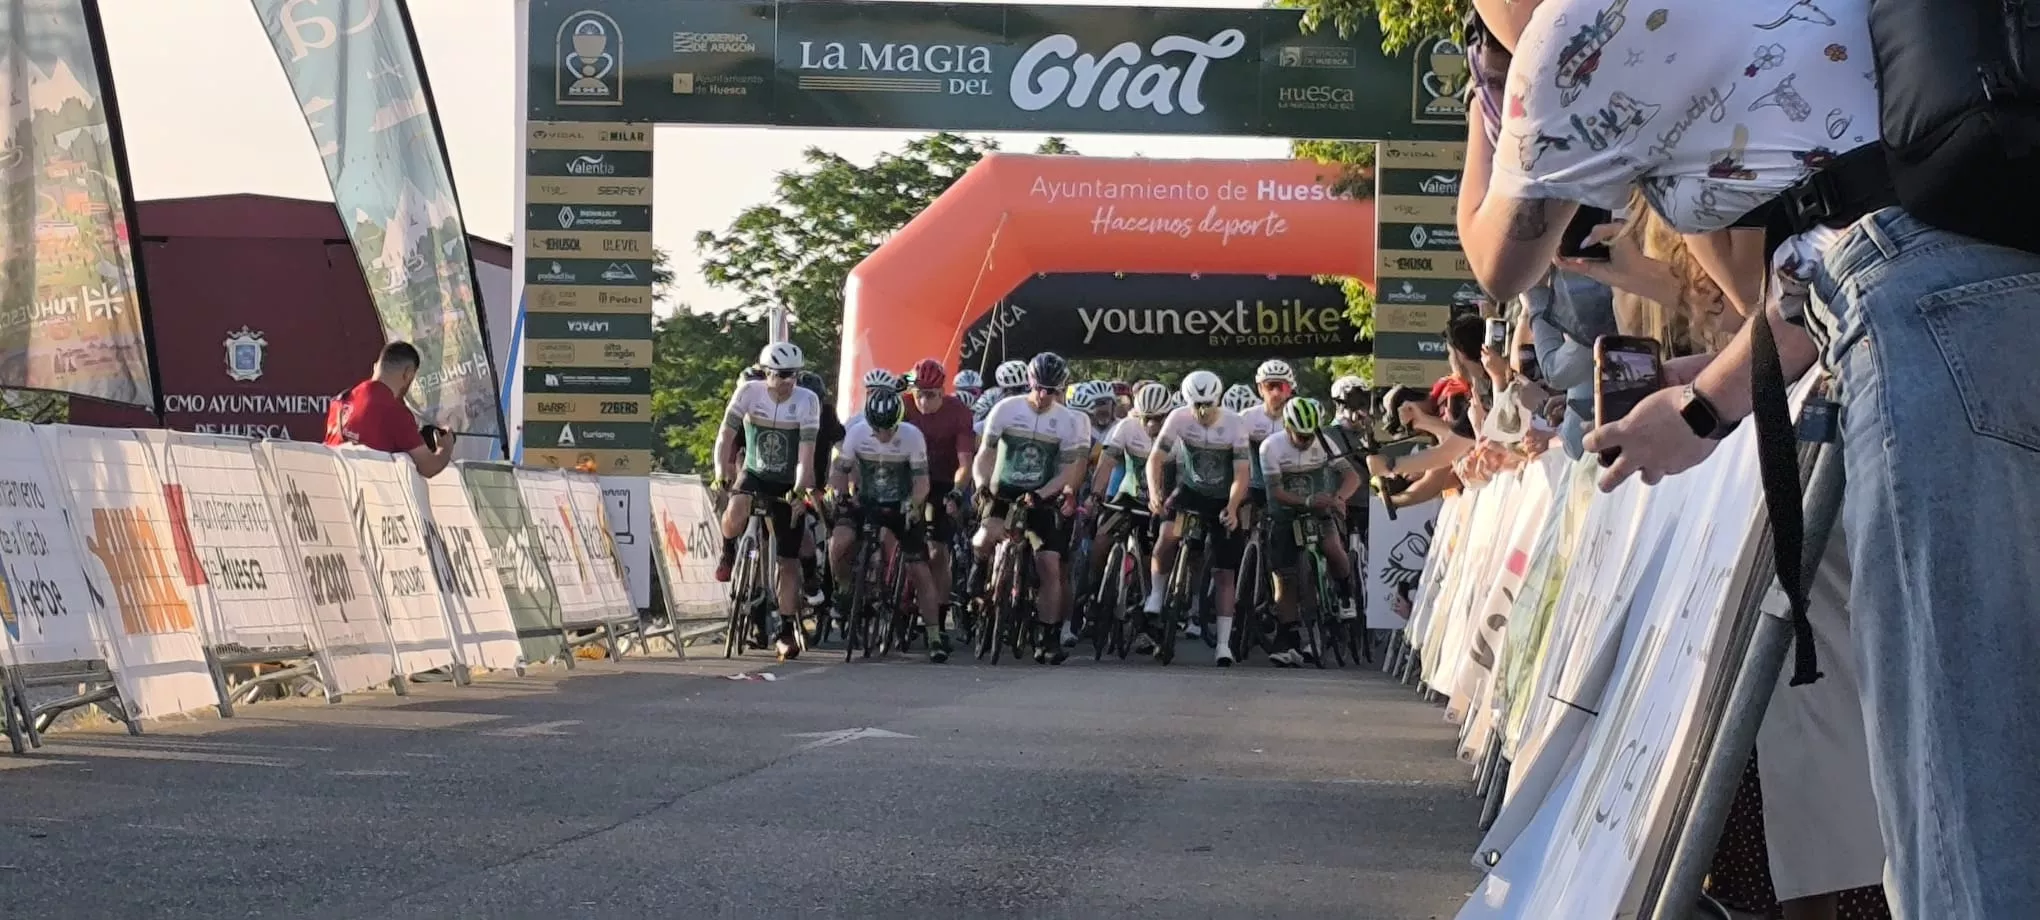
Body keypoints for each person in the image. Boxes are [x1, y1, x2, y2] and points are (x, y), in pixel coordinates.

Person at [1461, 2, 2017, 915]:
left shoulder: (1575, 31)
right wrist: (1705, 400)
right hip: (1978, 284)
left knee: (1961, 794)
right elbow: (1846, 232)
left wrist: (1486, 109)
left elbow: (1497, 263)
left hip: (1927, 340)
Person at [971, 351, 1090, 665]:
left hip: (1042, 494)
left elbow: (1068, 470)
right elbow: (985, 453)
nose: (1043, 395)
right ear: (1030, 383)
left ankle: (1048, 636)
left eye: (1051, 390)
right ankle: (978, 570)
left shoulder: (1068, 421)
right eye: (1038, 387)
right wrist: (982, 483)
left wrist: (1044, 493)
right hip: (1004, 488)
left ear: (1061, 389)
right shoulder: (1006, 409)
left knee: (1049, 564)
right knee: (985, 538)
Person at [712, 341, 821, 660]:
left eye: (794, 375)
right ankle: (728, 549)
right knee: (738, 503)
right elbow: (725, 437)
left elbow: (806, 454)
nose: (789, 382)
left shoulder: (808, 400)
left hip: (788, 479)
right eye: (782, 375)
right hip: (756, 471)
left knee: (787, 562)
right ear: (766, 373)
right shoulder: (748, 392)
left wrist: (800, 489)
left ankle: (785, 630)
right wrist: (721, 471)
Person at [828, 388, 948, 662]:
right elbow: (840, 471)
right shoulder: (857, 433)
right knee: (839, 542)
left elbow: (921, 482)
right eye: (877, 429)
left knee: (919, 567)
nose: (883, 434)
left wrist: (914, 504)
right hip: (866, 502)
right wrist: (841, 495)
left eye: (889, 428)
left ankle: (934, 635)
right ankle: (845, 588)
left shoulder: (912, 437)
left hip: (900, 505)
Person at [1144, 369, 1250, 667]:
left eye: (1208, 405)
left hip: (1222, 498)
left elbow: (1242, 473)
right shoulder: (1178, 417)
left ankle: (1223, 644)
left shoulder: (1234, 424)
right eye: (1196, 406)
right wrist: (1154, 492)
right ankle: (1156, 594)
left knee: (1224, 573)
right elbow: (1156, 458)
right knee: (1167, 535)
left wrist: (1232, 506)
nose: (1202, 412)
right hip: (1190, 491)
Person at [1260, 398, 1362, 666]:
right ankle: (1289, 632)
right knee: (1286, 577)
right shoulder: (1271, 447)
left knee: (1332, 549)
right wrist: (1305, 501)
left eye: (1310, 435)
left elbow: (1352, 476)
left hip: (1321, 507)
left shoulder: (1325, 442)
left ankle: (1343, 593)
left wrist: (1340, 498)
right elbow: (1275, 492)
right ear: (1287, 426)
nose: (1305, 441)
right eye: (1300, 435)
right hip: (1286, 511)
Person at [1084, 381, 1171, 655]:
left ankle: (1148, 617)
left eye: (1158, 419)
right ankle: (1094, 595)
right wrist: (1096, 495)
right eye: (1147, 418)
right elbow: (1106, 463)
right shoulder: (1126, 426)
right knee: (1101, 540)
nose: (1151, 425)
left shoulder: (1177, 432)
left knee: (1150, 559)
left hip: (1159, 503)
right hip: (1129, 496)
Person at [901, 357, 975, 637]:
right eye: (918, 393)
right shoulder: (904, 405)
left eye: (930, 395)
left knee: (936, 550)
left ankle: (940, 616)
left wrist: (957, 491)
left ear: (942, 392)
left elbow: (965, 463)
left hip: (942, 480)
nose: (923, 400)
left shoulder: (958, 413)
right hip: (906, 478)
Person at [323, 341, 455, 478]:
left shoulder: (341, 400)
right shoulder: (395, 412)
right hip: (369, 494)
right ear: (408, 374)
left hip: (332, 487)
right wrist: (445, 447)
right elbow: (428, 467)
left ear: (376, 367)